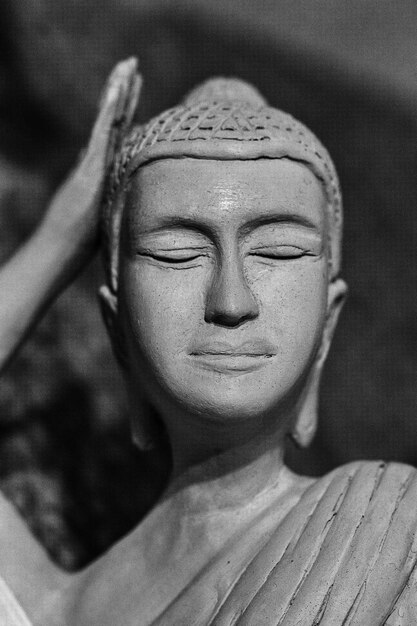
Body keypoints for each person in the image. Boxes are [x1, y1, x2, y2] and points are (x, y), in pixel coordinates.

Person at [0, 58, 416, 625]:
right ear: (117, 330)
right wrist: (63, 234)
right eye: (177, 254)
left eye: (278, 252)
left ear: (328, 324)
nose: (230, 300)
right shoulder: (56, 605)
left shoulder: (389, 526)